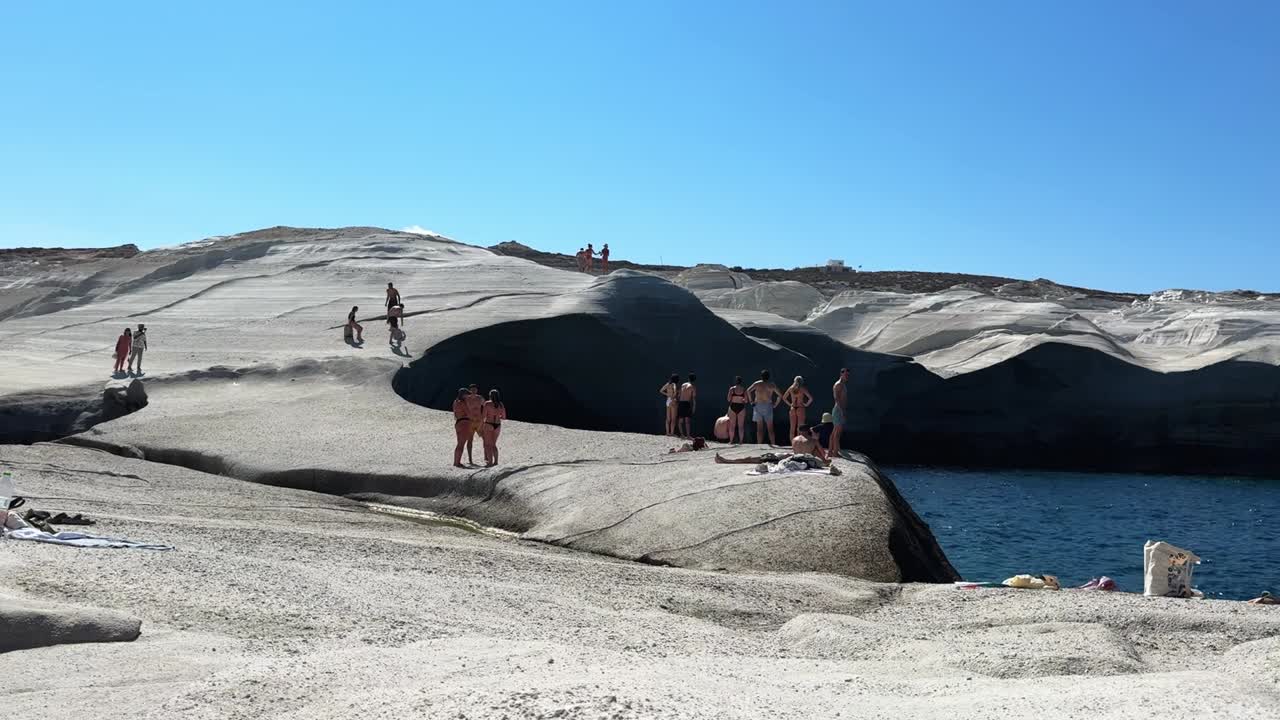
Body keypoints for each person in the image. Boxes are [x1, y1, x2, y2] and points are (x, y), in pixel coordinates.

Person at [747, 370, 781, 446]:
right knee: (770, 427)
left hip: (758, 405)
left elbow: (748, 391)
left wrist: (751, 401)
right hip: (768, 406)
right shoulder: (771, 385)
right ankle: (773, 444)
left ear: (761, 376)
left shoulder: (757, 383)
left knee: (759, 428)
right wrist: (775, 404)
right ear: (769, 377)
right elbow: (780, 395)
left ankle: (759, 445)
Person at [781, 375, 814, 440]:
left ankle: (793, 445)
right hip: (800, 408)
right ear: (801, 381)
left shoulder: (791, 388)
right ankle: (798, 444)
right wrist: (806, 404)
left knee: (792, 428)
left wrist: (790, 404)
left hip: (793, 408)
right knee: (800, 428)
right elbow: (811, 398)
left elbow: (784, 398)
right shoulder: (802, 389)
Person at [481, 389, 507, 467]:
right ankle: (496, 462)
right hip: (497, 425)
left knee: (488, 444)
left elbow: (483, 416)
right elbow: (504, 417)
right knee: (493, 444)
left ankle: (490, 462)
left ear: (490, 396)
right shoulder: (501, 404)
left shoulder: (487, 404)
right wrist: (498, 415)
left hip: (489, 424)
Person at [830, 368, 850, 457]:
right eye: (846, 375)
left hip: (840, 409)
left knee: (835, 432)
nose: (847, 377)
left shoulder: (843, 384)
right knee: (837, 433)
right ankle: (835, 452)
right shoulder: (838, 384)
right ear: (841, 374)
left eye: (848, 375)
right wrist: (842, 412)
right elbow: (837, 398)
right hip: (838, 410)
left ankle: (831, 451)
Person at [465, 384, 485, 465]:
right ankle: (470, 459)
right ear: (470, 390)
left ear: (477, 390)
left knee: (485, 438)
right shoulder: (467, 399)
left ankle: (486, 456)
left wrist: (483, 418)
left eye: (475, 389)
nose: (473, 391)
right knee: (470, 440)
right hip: (470, 421)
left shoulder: (480, 398)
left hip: (479, 421)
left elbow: (486, 407)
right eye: (472, 389)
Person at [725, 376, 749, 445]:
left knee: (732, 425)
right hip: (741, 407)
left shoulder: (732, 389)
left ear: (735, 381)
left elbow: (728, 399)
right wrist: (742, 399)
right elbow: (746, 401)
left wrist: (734, 397)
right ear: (741, 382)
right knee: (741, 426)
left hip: (733, 407)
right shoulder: (744, 389)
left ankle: (731, 441)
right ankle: (741, 441)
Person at [452, 388, 472, 468]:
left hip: (458, 422)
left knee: (459, 444)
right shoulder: (463, 403)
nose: (468, 396)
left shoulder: (455, 402)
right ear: (464, 395)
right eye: (467, 394)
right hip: (464, 422)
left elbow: (455, 413)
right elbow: (469, 413)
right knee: (461, 444)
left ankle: (456, 461)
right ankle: (457, 463)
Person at [677, 373, 697, 438]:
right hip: (686, 403)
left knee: (680, 420)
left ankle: (682, 435)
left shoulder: (683, 384)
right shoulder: (692, 387)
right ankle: (688, 435)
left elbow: (679, 395)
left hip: (681, 402)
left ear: (688, 378)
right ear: (694, 380)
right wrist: (694, 407)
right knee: (687, 421)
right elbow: (693, 399)